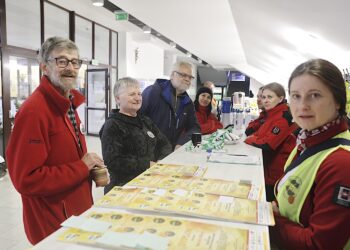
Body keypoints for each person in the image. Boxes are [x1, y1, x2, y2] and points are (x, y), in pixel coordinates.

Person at [5, 37, 105, 245]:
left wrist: (89, 166)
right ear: (45, 67)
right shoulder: (34, 111)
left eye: (75, 62)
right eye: (62, 61)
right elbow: (26, 179)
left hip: (75, 215)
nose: (70, 68)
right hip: (53, 222)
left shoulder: (68, 104)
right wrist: (81, 167)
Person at [270, 59, 350, 250]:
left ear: (338, 101)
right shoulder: (305, 141)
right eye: (296, 96)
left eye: (314, 95)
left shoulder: (341, 162)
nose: (302, 105)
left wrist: (272, 220)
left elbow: (319, 245)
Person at [100, 77, 172, 194]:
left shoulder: (145, 120)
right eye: (132, 94)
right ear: (118, 99)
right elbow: (113, 161)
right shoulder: (112, 125)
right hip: (123, 189)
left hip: (149, 182)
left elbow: (164, 143)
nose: (138, 98)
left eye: (139, 94)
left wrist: (160, 162)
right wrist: (147, 164)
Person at [244, 82, 298, 201]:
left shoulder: (282, 118)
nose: (265, 100)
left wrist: (250, 139)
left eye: (270, 97)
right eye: (264, 97)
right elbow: (258, 135)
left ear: (280, 98)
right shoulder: (271, 115)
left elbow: (267, 144)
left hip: (273, 174)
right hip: (267, 167)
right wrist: (255, 138)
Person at [140, 61, 201, 150]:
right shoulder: (153, 92)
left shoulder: (188, 103)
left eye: (190, 77)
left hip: (171, 153)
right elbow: (137, 120)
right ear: (172, 75)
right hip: (148, 152)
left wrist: (182, 142)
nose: (187, 79)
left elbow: (194, 128)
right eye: (183, 75)